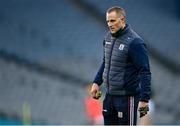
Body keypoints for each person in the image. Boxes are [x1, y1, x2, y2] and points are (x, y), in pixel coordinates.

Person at [90, 6, 151, 125]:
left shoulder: (135, 42)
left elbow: (145, 72)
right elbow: (105, 62)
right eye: (107, 21)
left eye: (112, 20)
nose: (109, 24)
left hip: (127, 99)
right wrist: (96, 82)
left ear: (122, 19)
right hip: (109, 97)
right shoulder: (107, 37)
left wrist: (144, 100)